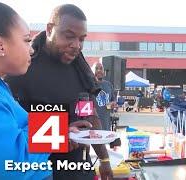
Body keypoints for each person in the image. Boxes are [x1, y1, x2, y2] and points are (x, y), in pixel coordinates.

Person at [6, 4, 113, 180]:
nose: (76, 45)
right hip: (33, 170)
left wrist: (104, 159)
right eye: (69, 36)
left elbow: (90, 115)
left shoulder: (81, 70)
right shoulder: (22, 66)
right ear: (49, 30)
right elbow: (10, 131)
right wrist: (60, 135)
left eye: (82, 39)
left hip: (74, 168)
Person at [91, 60, 116, 131]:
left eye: (101, 68)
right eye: (96, 68)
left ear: (104, 71)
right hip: (93, 124)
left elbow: (113, 100)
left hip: (106, 123)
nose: (99, 70)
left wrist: (113, 104)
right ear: (92, 71)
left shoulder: (108, 85)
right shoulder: (89, 85)